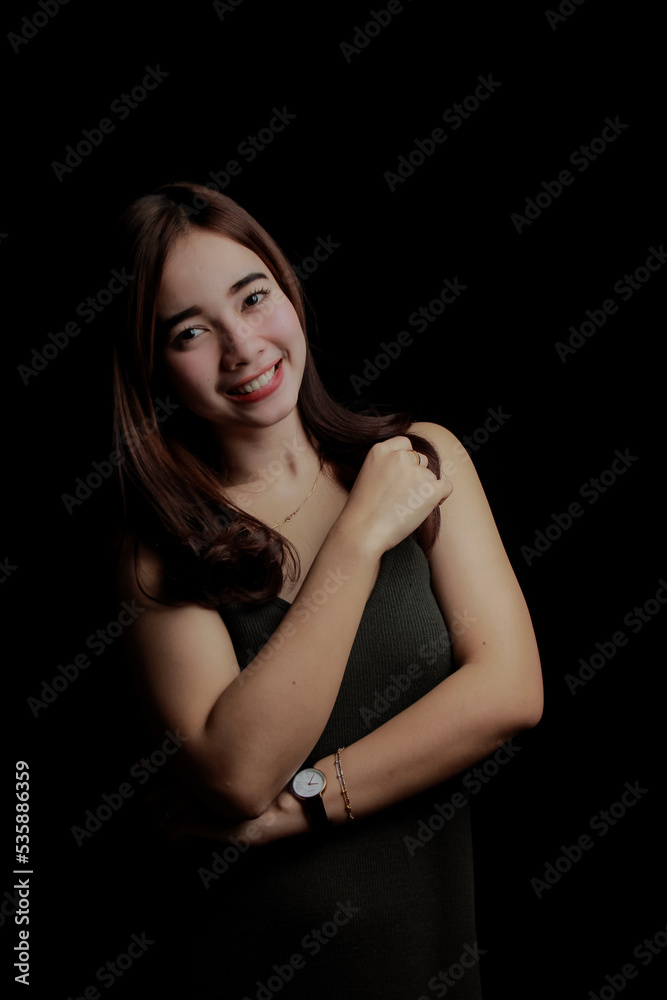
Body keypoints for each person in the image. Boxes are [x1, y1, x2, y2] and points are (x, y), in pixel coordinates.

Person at [112, 180, 543, 999]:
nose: (241, 346)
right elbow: (236, 774)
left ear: (289, 291)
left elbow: (509, 690)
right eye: (190, 332)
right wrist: (356, 539)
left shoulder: (422, 461)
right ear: (152, 365)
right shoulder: (157, 548)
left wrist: (297, 806)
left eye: (253, 297)